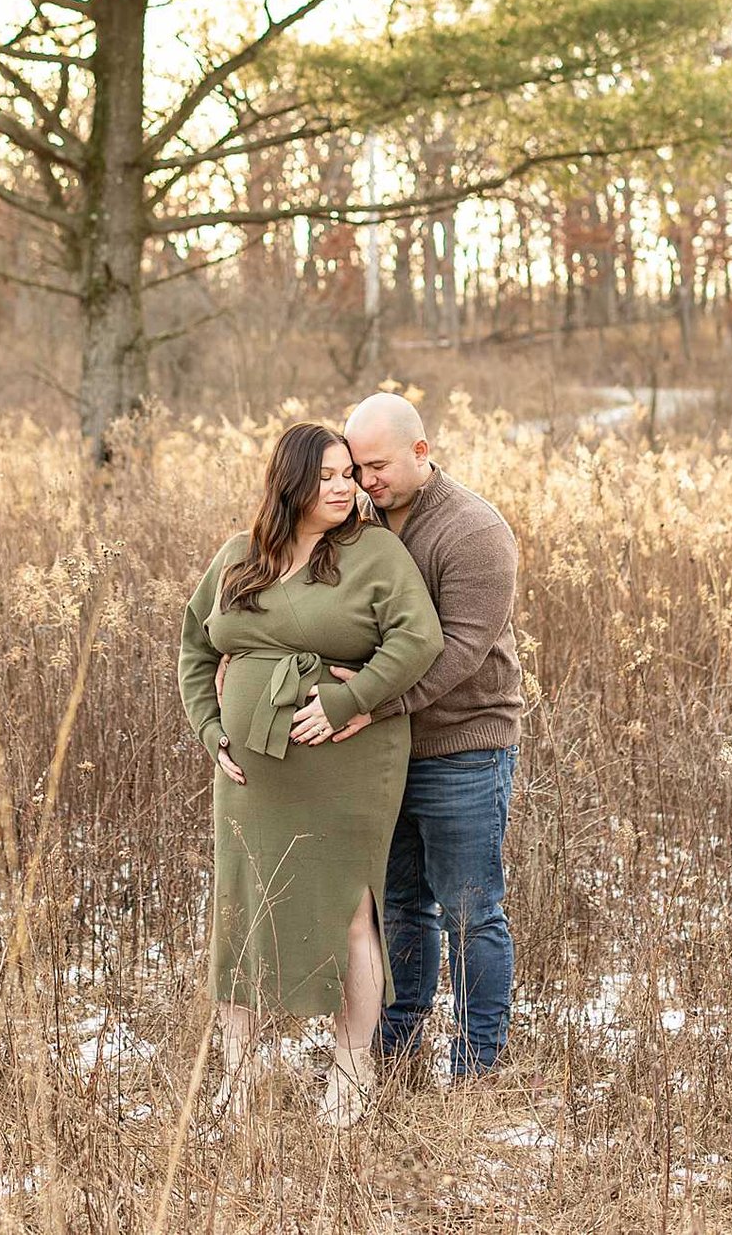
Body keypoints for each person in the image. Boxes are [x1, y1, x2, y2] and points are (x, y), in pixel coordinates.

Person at [177, 420, 444, 1128]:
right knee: (242, 905)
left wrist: (348, 699)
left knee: (350, 907)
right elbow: (194, 650)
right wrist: (210, 729)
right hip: (250, 771)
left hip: (347, 761)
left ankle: (351, 1074)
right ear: (290, 481)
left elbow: (420, 639)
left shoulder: (373, 553)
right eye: (327, 474)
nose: (344, 486)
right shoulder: (239, 558)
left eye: (349, 474)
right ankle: (237, 1076)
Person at [321, 392, 525, 1082]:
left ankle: (477, 1069)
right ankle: (397, 1053)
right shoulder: (355, 524)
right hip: (385, 749)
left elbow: (460, 650)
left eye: (377, 465)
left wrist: (368, 703)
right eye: (356, 466)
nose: (365, 479)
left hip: (464, 741)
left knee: (471, 910)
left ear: (421, 450)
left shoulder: (473, 531)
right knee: (401, 906)